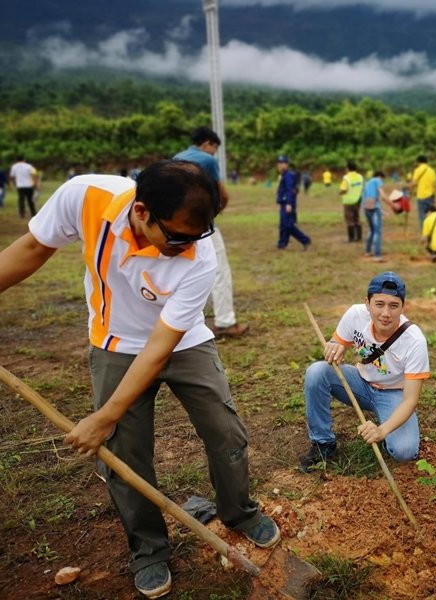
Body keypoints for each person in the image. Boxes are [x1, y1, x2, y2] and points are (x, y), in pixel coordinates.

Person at [0, 161, 280, 599]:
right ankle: (149, 549)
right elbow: (34, 247)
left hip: (183, 341)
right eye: (178, 237)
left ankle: (239, 513)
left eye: (198, 235)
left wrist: (104, 415)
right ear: (143, 211)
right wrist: (110, 420)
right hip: (113, 343)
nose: (187, 246)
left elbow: (160, 346)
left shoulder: (198, 254)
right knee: (125, 455)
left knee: (226, 432)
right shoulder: (84, 197)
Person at [300, 272, 430, 471]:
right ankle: (323, 443)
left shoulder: (414, 341)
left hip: (394, 393)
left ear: (403, 307)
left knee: (405, 452)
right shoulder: (355, 315)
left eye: (393, 305)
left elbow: (410, 400)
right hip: (360, 382)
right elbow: (338, 344)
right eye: (379, 304)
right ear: (367, 303)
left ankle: (389, 425)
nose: (385, 313)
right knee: (317, 372)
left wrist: (381, 431)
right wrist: (335, 348)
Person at [174, 126, 248, 338]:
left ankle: (180, 324)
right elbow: (223, 195)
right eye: (214, 148)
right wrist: (214, 213)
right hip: (201, 223)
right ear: (207, 143)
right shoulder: (207, 161)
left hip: (176, 225)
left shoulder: (177, 158)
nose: (214, 152)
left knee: (182, 272)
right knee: (219, 270)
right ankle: (225, 322)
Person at [276, 155, 311, 251]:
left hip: (287, 203)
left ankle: (305, 240)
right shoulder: (283, 175)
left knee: (288, 224)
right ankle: (282, 243)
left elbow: (290, 190)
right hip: (283, 202)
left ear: (287, 165)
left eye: (282, 163)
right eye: (278, 163)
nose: (279, 165)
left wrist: (289, 203)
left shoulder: (288, 175)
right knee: (283, 225)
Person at [362, 170, 392, 262]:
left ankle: (367, 251)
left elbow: (369, 200)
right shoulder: (378, 180)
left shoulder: (367, 183)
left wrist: (382, 212)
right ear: (380, 176)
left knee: (371, 230)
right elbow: (382, 196)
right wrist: (392, 205)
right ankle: (377, 255)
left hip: (366, 208)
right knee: (377, 232)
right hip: (374, 209)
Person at [410, 155, 436, 231]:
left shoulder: (417, 170)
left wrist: (410, 192)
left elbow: (414, 183)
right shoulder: (432, 171)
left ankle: (424, 232)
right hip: (430, 196)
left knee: (422, 215)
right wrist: (434, 197)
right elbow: (434, 185)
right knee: (432, 214)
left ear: (418, 162)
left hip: (421, 196)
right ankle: (433, 230)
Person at [339, 160, 364, 243]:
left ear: (348, 168)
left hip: (348, 201)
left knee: (349, 220)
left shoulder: (346, 178)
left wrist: (340, 192)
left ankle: (351, 238)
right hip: (358, 200)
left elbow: (343, 189)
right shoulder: (360, 177)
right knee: (357, 218)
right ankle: (359, 237)